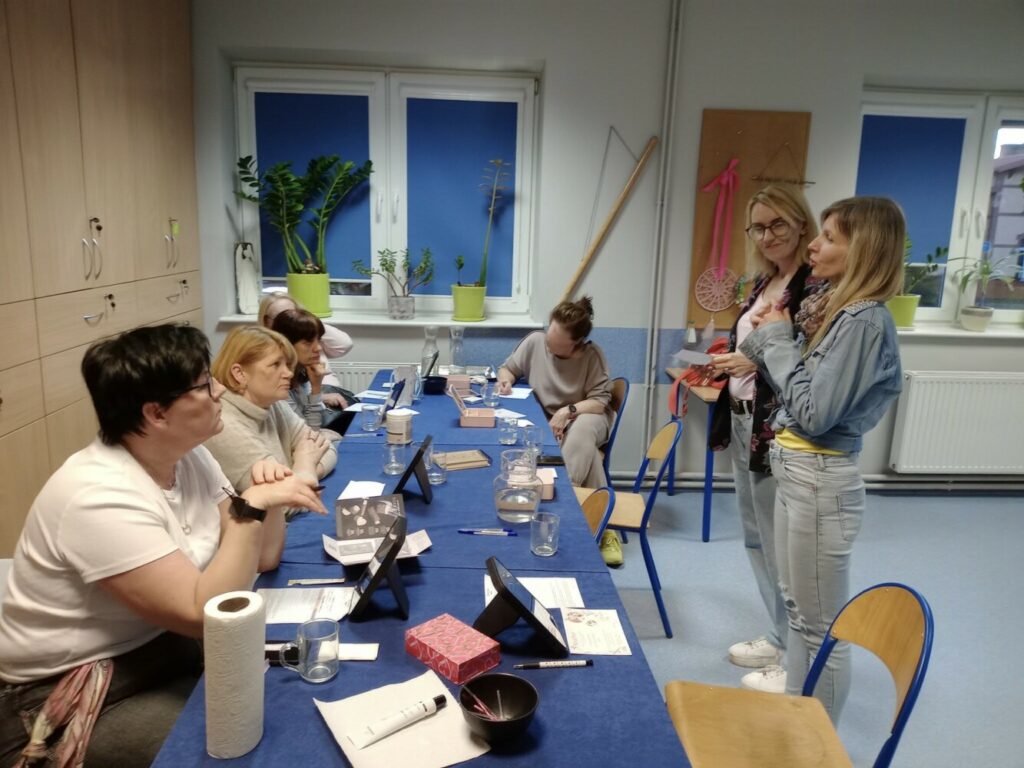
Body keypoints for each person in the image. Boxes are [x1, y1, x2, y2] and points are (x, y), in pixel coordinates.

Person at [0, 324, 327, 767]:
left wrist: (265, 500)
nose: (219, 391)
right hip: (77, 689)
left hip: (165, 652)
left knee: (289, 710)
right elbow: (206, 615)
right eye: (204, 385)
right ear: (156, 413)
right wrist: (250, 508)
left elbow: (264, 558)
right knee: (235, 747)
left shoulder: (190, 455)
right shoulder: (97, 495)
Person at [738, 196, 904, 722]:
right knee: (797, 608)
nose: (814, 245)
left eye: (829, 237)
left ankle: (814, 743)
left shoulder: (864, 321)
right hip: (798, 470)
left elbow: (812, 412)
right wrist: (775, 337)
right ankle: (797, 718)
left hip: (818, 478)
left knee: (822, 629)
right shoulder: (838, 313)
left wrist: (776, 339)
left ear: (864, 250)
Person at [707, 185, 825, 693]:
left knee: (781, 545)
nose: (768, 234)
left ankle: (795, 656)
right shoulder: (763, 282)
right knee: (756, 536)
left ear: (801, 224)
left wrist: (752, 361)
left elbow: (808, 361)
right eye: (758, 226)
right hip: (742, 420)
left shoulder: (814, 287)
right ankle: (779, 636)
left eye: (778, 223)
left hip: (775, 427)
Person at [496, 297, 617, 561]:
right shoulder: (535, 342)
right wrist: (506, 381)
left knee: (582, 430)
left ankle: (563, 505)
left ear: (577, 343)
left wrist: (567, 411)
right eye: (549, 332)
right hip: (551, 423)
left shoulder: (592, 356)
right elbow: (508, 369)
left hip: (588, 416)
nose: (548, 342)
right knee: (590, 457)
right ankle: (604, 528)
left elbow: (599, 403)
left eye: (557, 340)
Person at [204, 326, 338, 494]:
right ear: (240, 374)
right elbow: (285, 501)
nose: (289, 373)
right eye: (276, 364)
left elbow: (326, 448)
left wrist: (302, 475)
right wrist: (304, 464)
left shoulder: (272, 402)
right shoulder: (224, 426)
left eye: (287, 365)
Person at [270, 307, 355, 430]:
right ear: (286, 344)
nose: (318, 348)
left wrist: (317, 390)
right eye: (308, 342)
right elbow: (309, 432)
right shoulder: (279, 384)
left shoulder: (301, 371)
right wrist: (316, 389)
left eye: (318, 340)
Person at [258, 293, 354, 359]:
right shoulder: (266, 353)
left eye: (292, 314)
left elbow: (344, 345)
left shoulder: (312, 340)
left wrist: (308, 324)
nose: (289, 321)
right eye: (281, 317)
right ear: (266, 322)